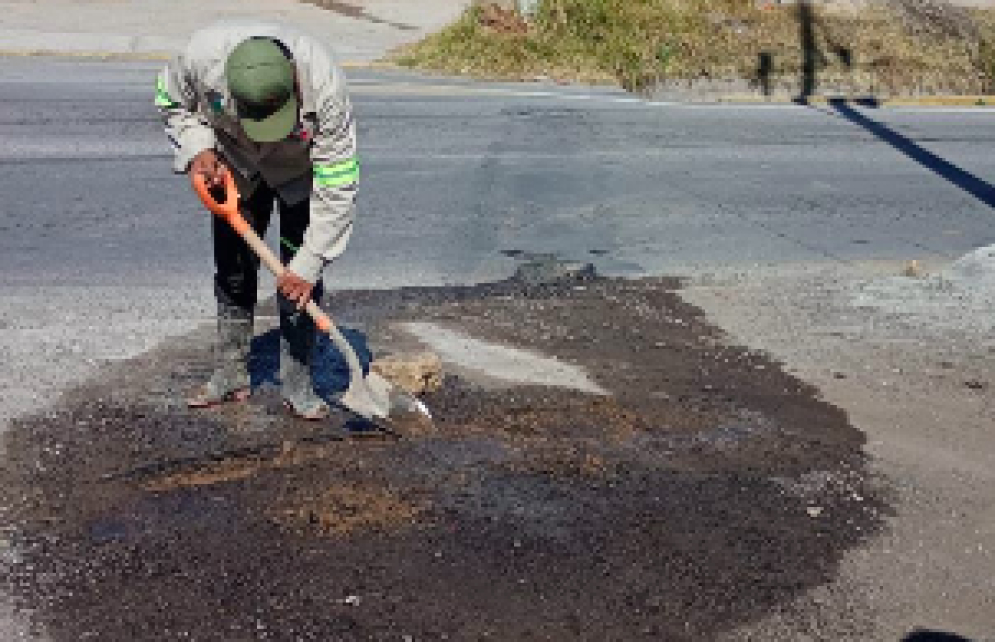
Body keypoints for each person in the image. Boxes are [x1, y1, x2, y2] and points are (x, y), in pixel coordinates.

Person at [155, 20, 359, 420]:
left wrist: (310, 261)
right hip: (235, 167)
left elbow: (338, 184)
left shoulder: (326, 86)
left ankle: (298, 383)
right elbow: (171, 101)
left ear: (295, 81)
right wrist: (198, 147)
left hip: (300, 173)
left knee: (299, 281)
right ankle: (230, 375)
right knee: (234, 271)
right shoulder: (200, 58)